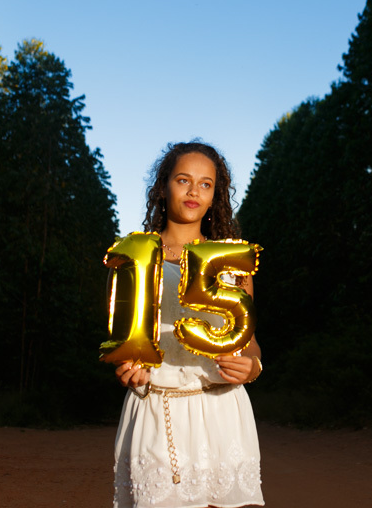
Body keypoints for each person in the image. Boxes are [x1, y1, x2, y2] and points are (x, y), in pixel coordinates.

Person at [113, 141, 264, 508]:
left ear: (216, 196)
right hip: (156, 411)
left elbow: (251, 343)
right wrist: (125, 367)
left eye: (206, 183)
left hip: (224, 411)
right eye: (183, 180)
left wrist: (253, 367)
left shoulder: (232, 263)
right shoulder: (131, 261)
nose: (194, 190)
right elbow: (122, 343)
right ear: (163, 187)